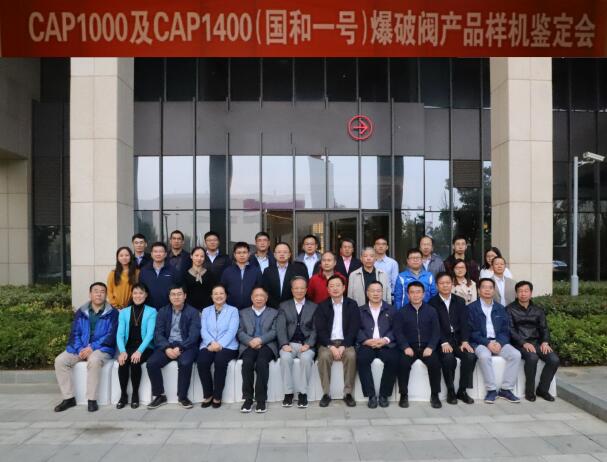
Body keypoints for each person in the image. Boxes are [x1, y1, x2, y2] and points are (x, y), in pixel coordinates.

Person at [54, 282, 118, 412]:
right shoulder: (81, 311)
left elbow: (111, 335)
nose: (99, 294)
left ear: (106, 295)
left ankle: (91, 399)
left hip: (102, 348)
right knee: (60, 361)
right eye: (96, 291)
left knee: (94, 360)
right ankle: (69, 398)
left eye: (102, 292)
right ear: (90, 294)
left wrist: (92, 347)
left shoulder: (113, 313)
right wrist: (79, 349)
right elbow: (75, 333)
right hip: (80, 347)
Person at [146, 285, 201, 409]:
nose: (176, 297)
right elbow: (158, 333)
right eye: (173, 294)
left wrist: (180, 348)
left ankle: (182, 397)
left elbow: (194, 335)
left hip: (186, 345)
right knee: (151, 363)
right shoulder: (163, 311)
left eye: (179, 294)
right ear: (169, 297)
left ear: (185, 296)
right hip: (167, 345)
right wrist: (166, 348)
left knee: (185, 363)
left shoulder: (193, 312)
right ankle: (159, 396)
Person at [468, 278, 521, 404]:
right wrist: (487, 343)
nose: (487, 290)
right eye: (484, 287)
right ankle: (491, 390)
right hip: (480, 342)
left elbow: (505, 330)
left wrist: (500, 342)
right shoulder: (471, 308)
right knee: (484, 356)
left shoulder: (501, 308)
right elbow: (471, 332)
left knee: (516, 354)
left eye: (490, 287)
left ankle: (506, 389)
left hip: (498, 342)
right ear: (479, 290)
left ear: (494, 290)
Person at [507, 281, 559, 402]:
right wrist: (523, 343)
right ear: (516, 293)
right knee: (532, 357)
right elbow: (510, 330)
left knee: (554, 359)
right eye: (520, 291)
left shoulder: (538, 310)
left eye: (526, 291)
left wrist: (545, 342)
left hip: (537, 343)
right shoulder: (509, 309)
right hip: (519, 343)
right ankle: (529, 392)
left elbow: (544, 328)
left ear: (531, 293)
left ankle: (543, 390)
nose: (523, 294)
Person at [429, 272, 476, 405]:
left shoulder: (459, 301)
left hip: (458, 340)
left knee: (470, 356)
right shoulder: (432, 303)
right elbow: (434, 326)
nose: (445, 286)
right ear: (437, 286)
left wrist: (465, 341)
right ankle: (451, 391)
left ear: (452, 284)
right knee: (448, 359)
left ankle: (462, 390)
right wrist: (443, 342)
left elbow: (464, 323)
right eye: (442, 283)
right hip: (442, 341)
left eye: (448, 283)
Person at [394, 281, 443, 409]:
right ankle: (403, 395)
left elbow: (436, 331)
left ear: (423, 294)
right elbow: (398, 332)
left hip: (427, 347)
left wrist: (431, 347)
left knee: (435, 364)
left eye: (418, 292)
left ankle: (435, 395)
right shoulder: (401, 312)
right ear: (408, 295)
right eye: (412, 292)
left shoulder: (431, 311)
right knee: (402, 364)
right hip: (409, 347)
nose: (415, 295)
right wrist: (405, 347)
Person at [314, 275, 360, 408]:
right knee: (323, 356)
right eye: (332, 286)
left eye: (338, 285)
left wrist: (344, 345)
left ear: (344, 288)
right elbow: (320, 329)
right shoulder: (322, 306)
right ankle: (326, 394)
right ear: (328, 289)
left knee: (351, 355)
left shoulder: (352, 304)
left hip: (346, 342)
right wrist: (331, 346)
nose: (335, 288)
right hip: (328, 342)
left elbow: (354, 327)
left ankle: (348, 393)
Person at [357, 281, 399, 408]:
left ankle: (384, 395)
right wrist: (366, 340)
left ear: (382, 293)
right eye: (372, 291)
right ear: (367, 293)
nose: (376, 293)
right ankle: (371, 396)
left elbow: (396, 329)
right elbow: (356, 329)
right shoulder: (360, 310)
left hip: (385, 344)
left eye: (378, 291)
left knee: (393, 360)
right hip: (367, 344)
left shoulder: (391, 309)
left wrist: (385, 340)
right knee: (362, 359)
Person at [277, 276, 317, 409]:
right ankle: (288, 393)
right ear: (292, 290)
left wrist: (309, 344)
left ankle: (303, 393)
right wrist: (284, 344)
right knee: (285, 358)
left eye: (302, 288)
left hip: (306, 344)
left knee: (306, 359)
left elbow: (316, 329)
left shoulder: (314, 306)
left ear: (306, 289)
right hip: (289, 343)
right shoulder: (284, 306)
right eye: (296, 288)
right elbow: (280, 327)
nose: (299, 291)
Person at [197, 284, 240, 408]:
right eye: (215, 293)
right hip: (208, 344)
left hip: (228, 345)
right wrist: (211, 343)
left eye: (221, 293)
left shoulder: (233, 310)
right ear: (211, 296)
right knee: (202, 361)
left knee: (220, 361)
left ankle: (217, 396)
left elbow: (232, 331)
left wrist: (220, 344)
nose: (218, 296)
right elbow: (203, 330)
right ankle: (208, 394)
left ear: (226, 295)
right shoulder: (206, 311)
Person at [115, 283, 157, 409]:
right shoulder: (124, 312)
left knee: (135, 362)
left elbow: (150, 335)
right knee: (123, 362)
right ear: (132, 295)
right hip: (128, 346)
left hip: (145, 347)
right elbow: (119, 334)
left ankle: (135, 394)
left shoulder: (152, 311)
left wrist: (139, 351)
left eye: (141, 293)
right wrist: (122, 351)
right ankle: (123, 395)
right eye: (135, 293)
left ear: (146, 295)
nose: (138, 296)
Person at [238, 286, 279, 413]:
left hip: (267, 345)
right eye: (256, 296)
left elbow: (275, 331)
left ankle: (261, 399)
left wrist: (260, 340)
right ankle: (248, 398)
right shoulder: (243, 313)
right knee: (247, 363)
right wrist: (250, 341)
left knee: (262, 363)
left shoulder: (274, 312)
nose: (259, 298)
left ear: (266, 298)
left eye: (262, 296)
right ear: (252, 298)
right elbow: (239, 331)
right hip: (248, 344)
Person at [261, 242, 308, 309]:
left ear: (289, 254)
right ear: (274, 255)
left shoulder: (299, 270)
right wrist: (275, 306)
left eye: (285, 252)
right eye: (279, 252)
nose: (282, 254)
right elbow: (265, 291)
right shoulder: (267, 271)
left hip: (293, 308)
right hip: (272, 308)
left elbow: (303, 290)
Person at [220, 242, 263, 309]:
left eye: (244, 252)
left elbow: (260, 289)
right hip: (231, 308)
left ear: (249, 254)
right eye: (239, 253)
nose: (242, 255)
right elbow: (223, 289)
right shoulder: (227, 271)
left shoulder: (256, 271)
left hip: (251, 308)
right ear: (234, 255)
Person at [138, 242, 179, 310]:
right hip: (148, 309)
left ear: (165, 254)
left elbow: (177, 290)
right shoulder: (144, 271)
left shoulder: (173, 271)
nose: (158, 254)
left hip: (168, 309)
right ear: (151, 254)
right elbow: (141, 290)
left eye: (161, 251)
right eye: (155, 251)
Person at [183, 246, 218, 311]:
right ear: (191, 256)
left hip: (207, 309)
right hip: (189, 310)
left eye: (202, 256)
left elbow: (213, 292)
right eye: (196, 255)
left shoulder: (210, 274)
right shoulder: (185, 274)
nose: (199, 258)